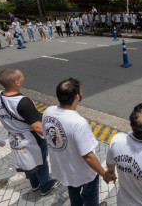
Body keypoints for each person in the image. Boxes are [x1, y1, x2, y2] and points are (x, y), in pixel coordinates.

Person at [0, 68, 60, 196]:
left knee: (26, 159)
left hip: (14, 138)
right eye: (21, 76)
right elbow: (37, 127)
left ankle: (34, 184)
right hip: (32, 138)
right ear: (17, 82)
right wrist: (57, 140)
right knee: (40, 161)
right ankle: (45, 185)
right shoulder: (23, 102)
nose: (24, 77)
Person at [42, 78, 115, 206]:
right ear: (77, 96)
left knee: (73, 192)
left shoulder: (48, 111)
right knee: (89, 194)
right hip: (82, 172)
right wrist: (104, 174)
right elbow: (88, 156)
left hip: (63, 168)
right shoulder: (78, 123)